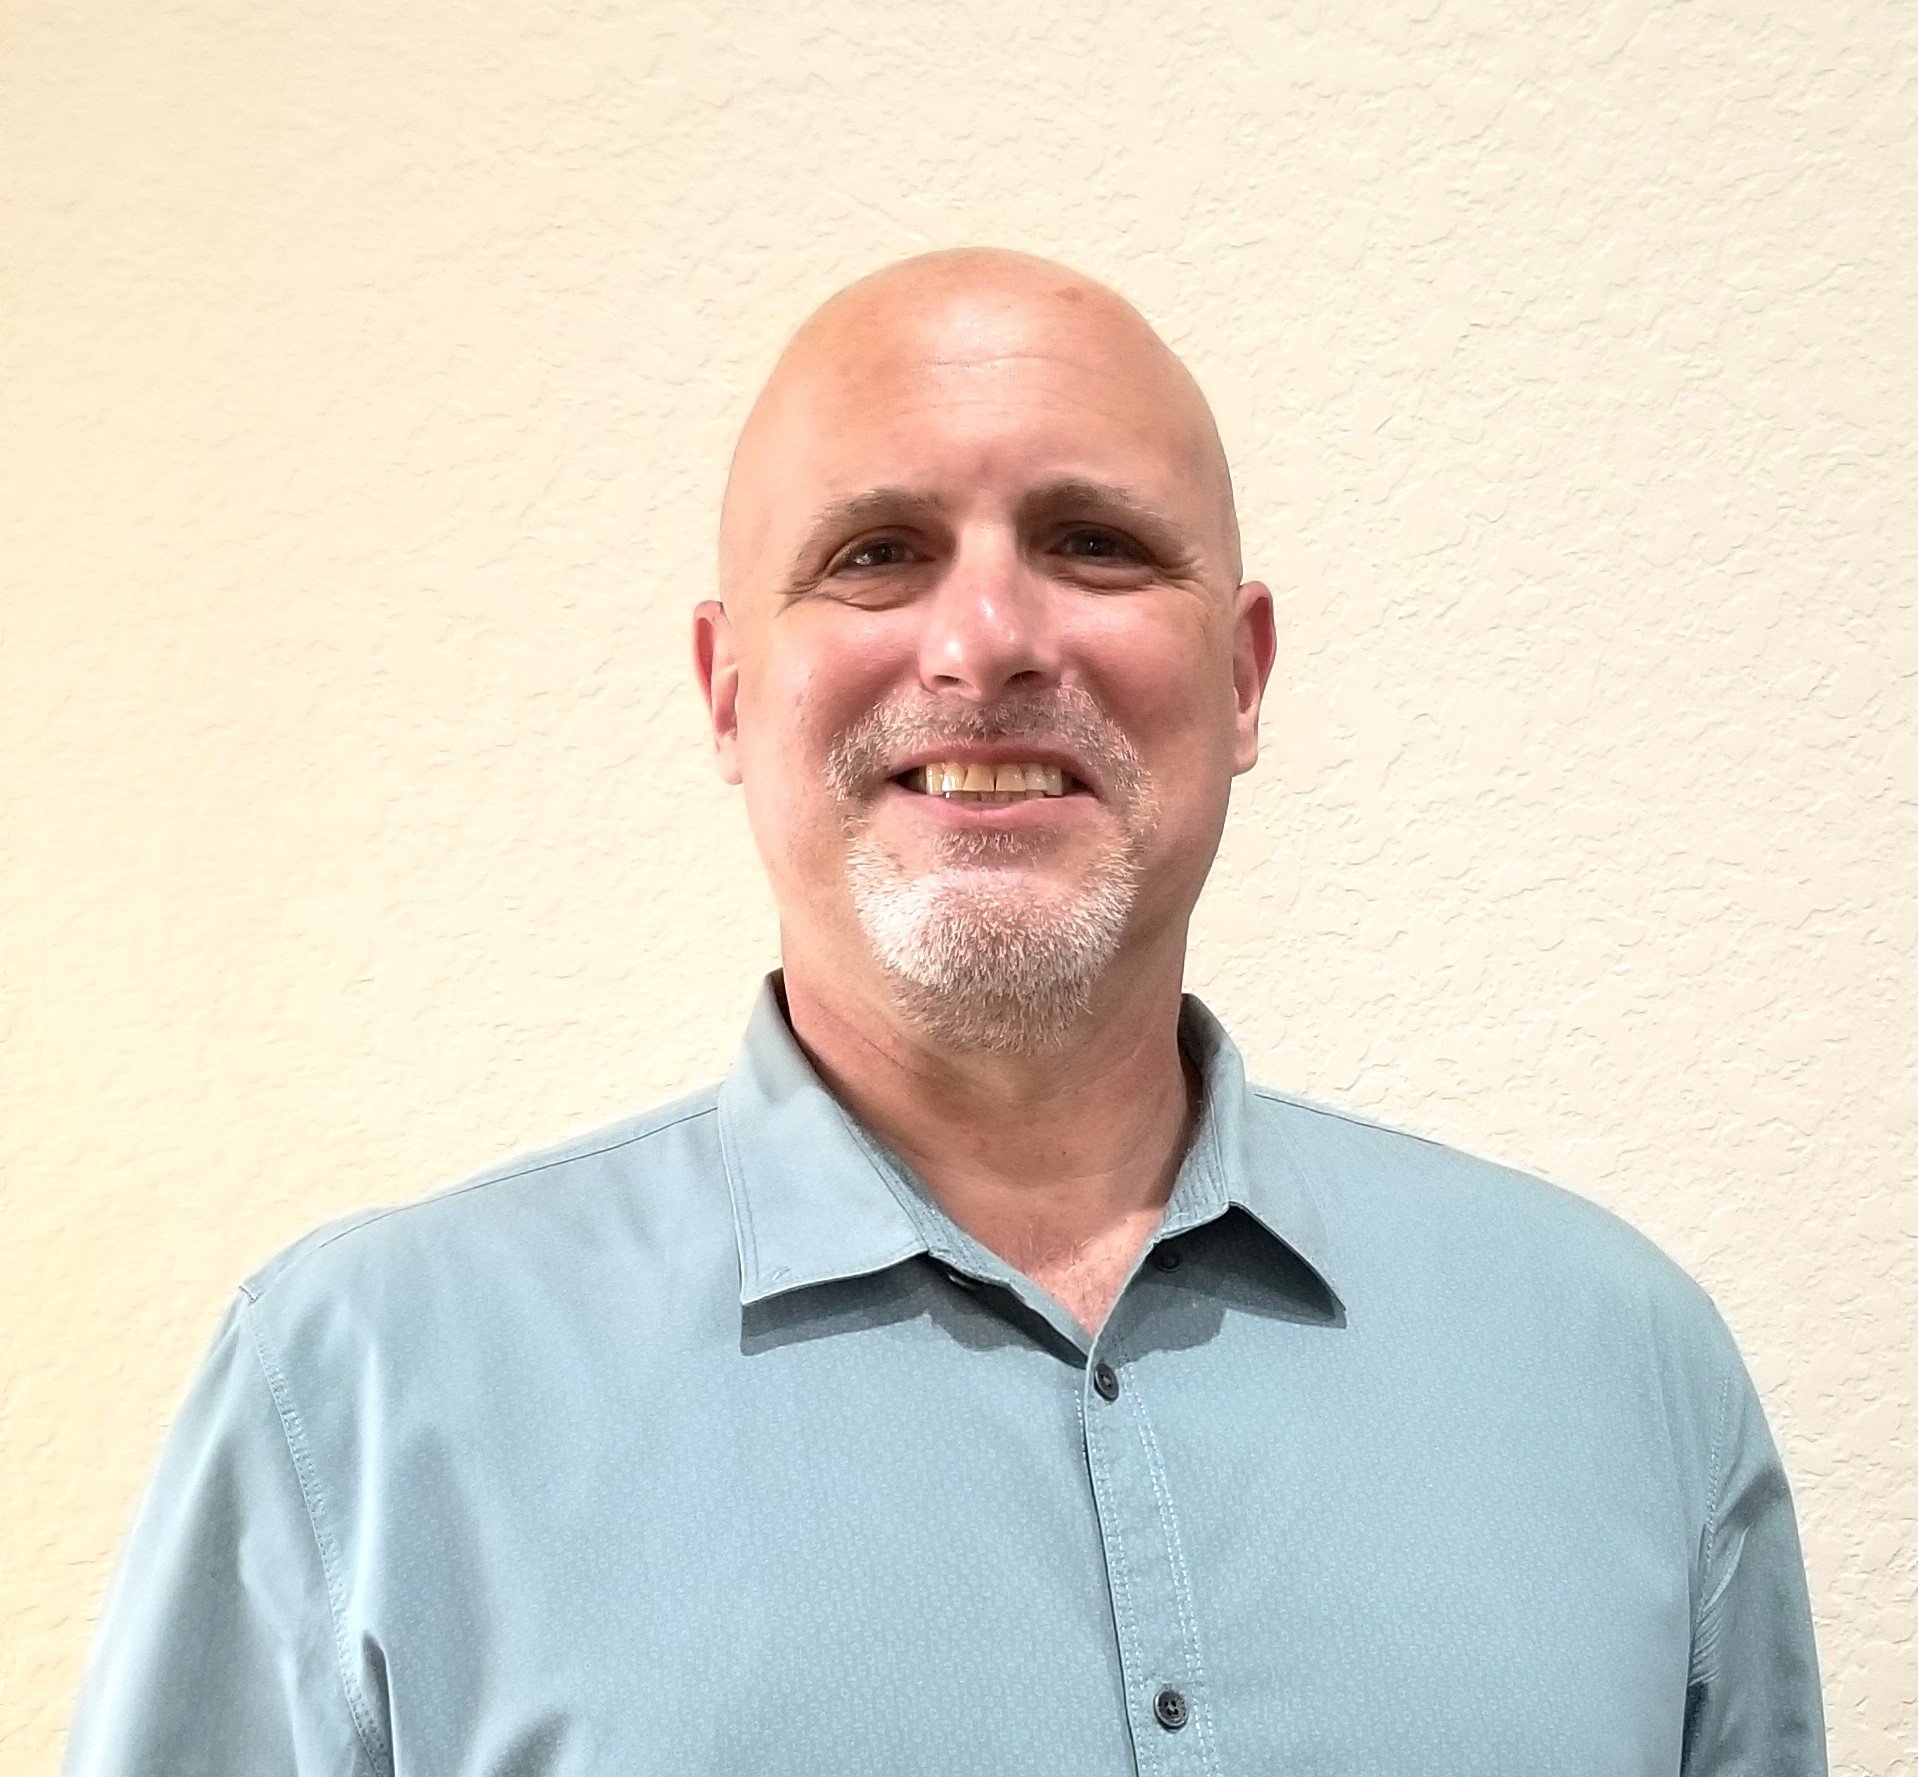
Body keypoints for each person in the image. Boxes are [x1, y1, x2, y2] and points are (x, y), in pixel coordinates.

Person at [64, 248, 1825, 1774]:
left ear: (1243, 676)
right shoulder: (362, 1397)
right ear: (727, 691)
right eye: (877, 554)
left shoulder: (1620, 1372)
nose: (984, 638)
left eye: (1093, 542)